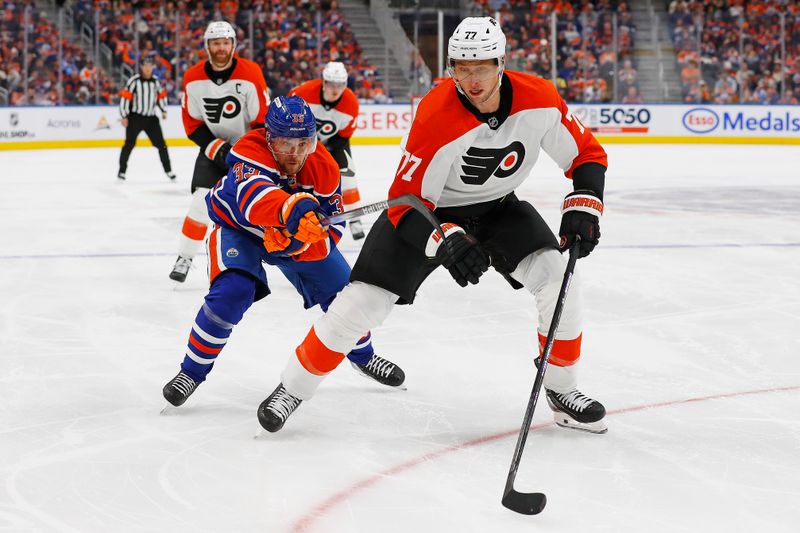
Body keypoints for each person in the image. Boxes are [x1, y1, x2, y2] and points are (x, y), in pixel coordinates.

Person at [257, 16, 610, 434]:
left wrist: (584, 205)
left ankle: (561, 389)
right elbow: (404, 204)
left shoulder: (541, 99)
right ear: (450, 67)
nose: (472, 79)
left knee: (559, 282)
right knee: (361, 303)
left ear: (502, 63)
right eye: (461, 67)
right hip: (427, 214)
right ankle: (293, 387)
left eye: (481, 67)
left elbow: (586, 154)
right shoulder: (435, 114)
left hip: (497, 207)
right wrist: (446, 239)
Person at [162, 95, 406, 409]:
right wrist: (296, 211)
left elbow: (331, 232)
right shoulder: (249, 150)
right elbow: (255, 199)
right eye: (284, 144)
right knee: (232, 292)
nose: (294, 153)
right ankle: (191, 373)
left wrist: (301, 240)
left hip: (293, 242)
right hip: (240, 231)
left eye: (303, 143)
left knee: (347, 298)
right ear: (268, 138)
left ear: (313, 141)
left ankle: (363, 356)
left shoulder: (325, 168)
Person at [169, 20, 270, 283]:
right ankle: (185, 257)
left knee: (255, 205)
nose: (221, 47)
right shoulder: (192, 77)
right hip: (212, 148)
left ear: (233, 45)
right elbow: (192, 124)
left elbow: (261, 119)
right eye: (216, 43)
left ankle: (267, 258)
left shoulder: (251, 72)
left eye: (226, 42)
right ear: (207, 46)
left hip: (248, 150)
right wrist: (217, 147)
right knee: (200, 203)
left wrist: (246, 148)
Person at [289, 62, 365, 240]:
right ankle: (293, 211)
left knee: (347, 175)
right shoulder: (303, 93)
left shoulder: (351, 103)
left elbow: (343, 135)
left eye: (339, 85)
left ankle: (355, 219)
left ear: (345, 84)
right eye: (331, 83)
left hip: (333, 143)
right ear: (323, 82)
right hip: (299, 141)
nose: (335, 89)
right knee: (292, 175)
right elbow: (287, 117)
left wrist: (324, 154)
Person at [117, 56, 174, 181]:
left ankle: (169, 170)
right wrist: (124, 115)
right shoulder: (134, 81)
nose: (148, 68)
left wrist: (163, 110)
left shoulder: (156, 81)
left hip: (151, 119)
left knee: (161, 145)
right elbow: (125, 98)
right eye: (145, 66)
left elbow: (161, 96)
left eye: (150, 66)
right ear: (141, 67)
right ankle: (121, 172)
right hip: (135, 118)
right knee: (129, 144)